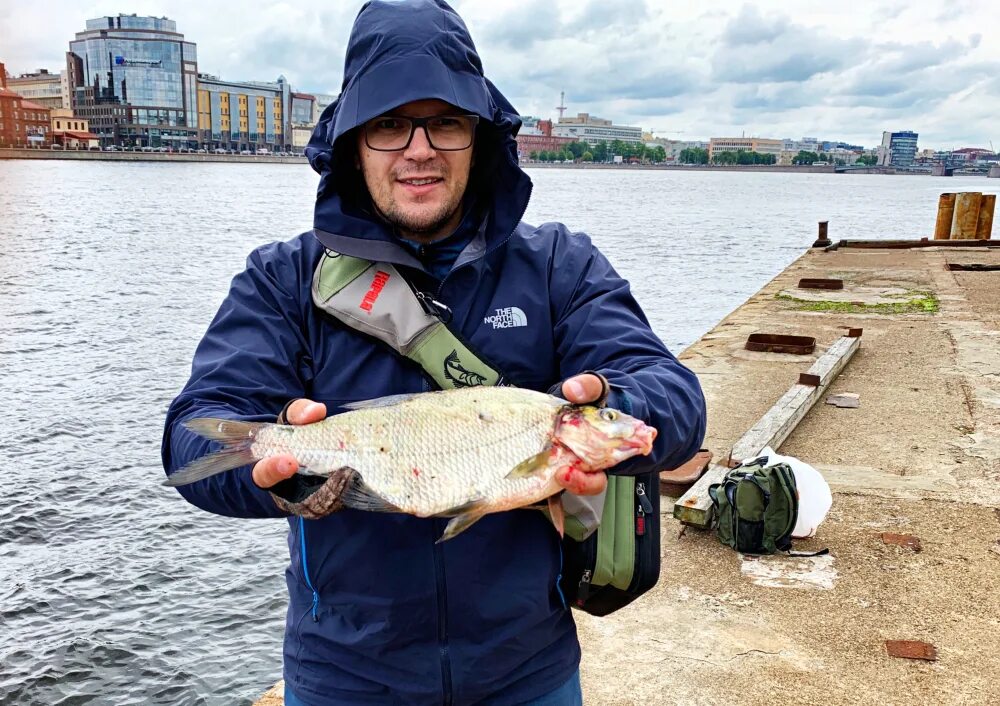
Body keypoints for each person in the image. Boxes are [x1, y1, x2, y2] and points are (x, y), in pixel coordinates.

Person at [161, 1, 706, 704]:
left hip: (528, 671)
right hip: (344, 678)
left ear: (480, 137)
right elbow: (189, 437)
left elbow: (676, 395)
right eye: (389, 124)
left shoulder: (558, 265)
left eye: (444, 121)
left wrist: (610, 410)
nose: (418, 149)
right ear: (353, 142)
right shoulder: (282, 279)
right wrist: (277, 480)